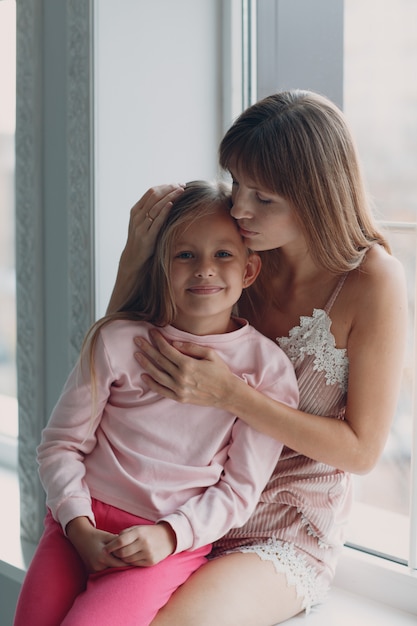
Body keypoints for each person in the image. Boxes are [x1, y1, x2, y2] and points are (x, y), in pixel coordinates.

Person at [107, 90, 408, 626]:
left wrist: (232, 395)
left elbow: (362, 452)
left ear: (317, 196)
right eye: (237, 183)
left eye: (263, 198)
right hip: (184, 501)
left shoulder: (372, 282)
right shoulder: (233, 252)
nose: (240, 209)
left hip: (281, 527)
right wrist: (133, 260)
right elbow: (118, 358)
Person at [13, 181, 299, 626]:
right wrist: (77, 525)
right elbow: (59, 446)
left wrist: (169, 536)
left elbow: (239, 489)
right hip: (78, 524)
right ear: (161, 268)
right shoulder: (116, 341)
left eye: (223, 254)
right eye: (185, 255)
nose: (205, 268)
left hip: (162, 544)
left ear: (249, 271)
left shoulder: (267, 370)